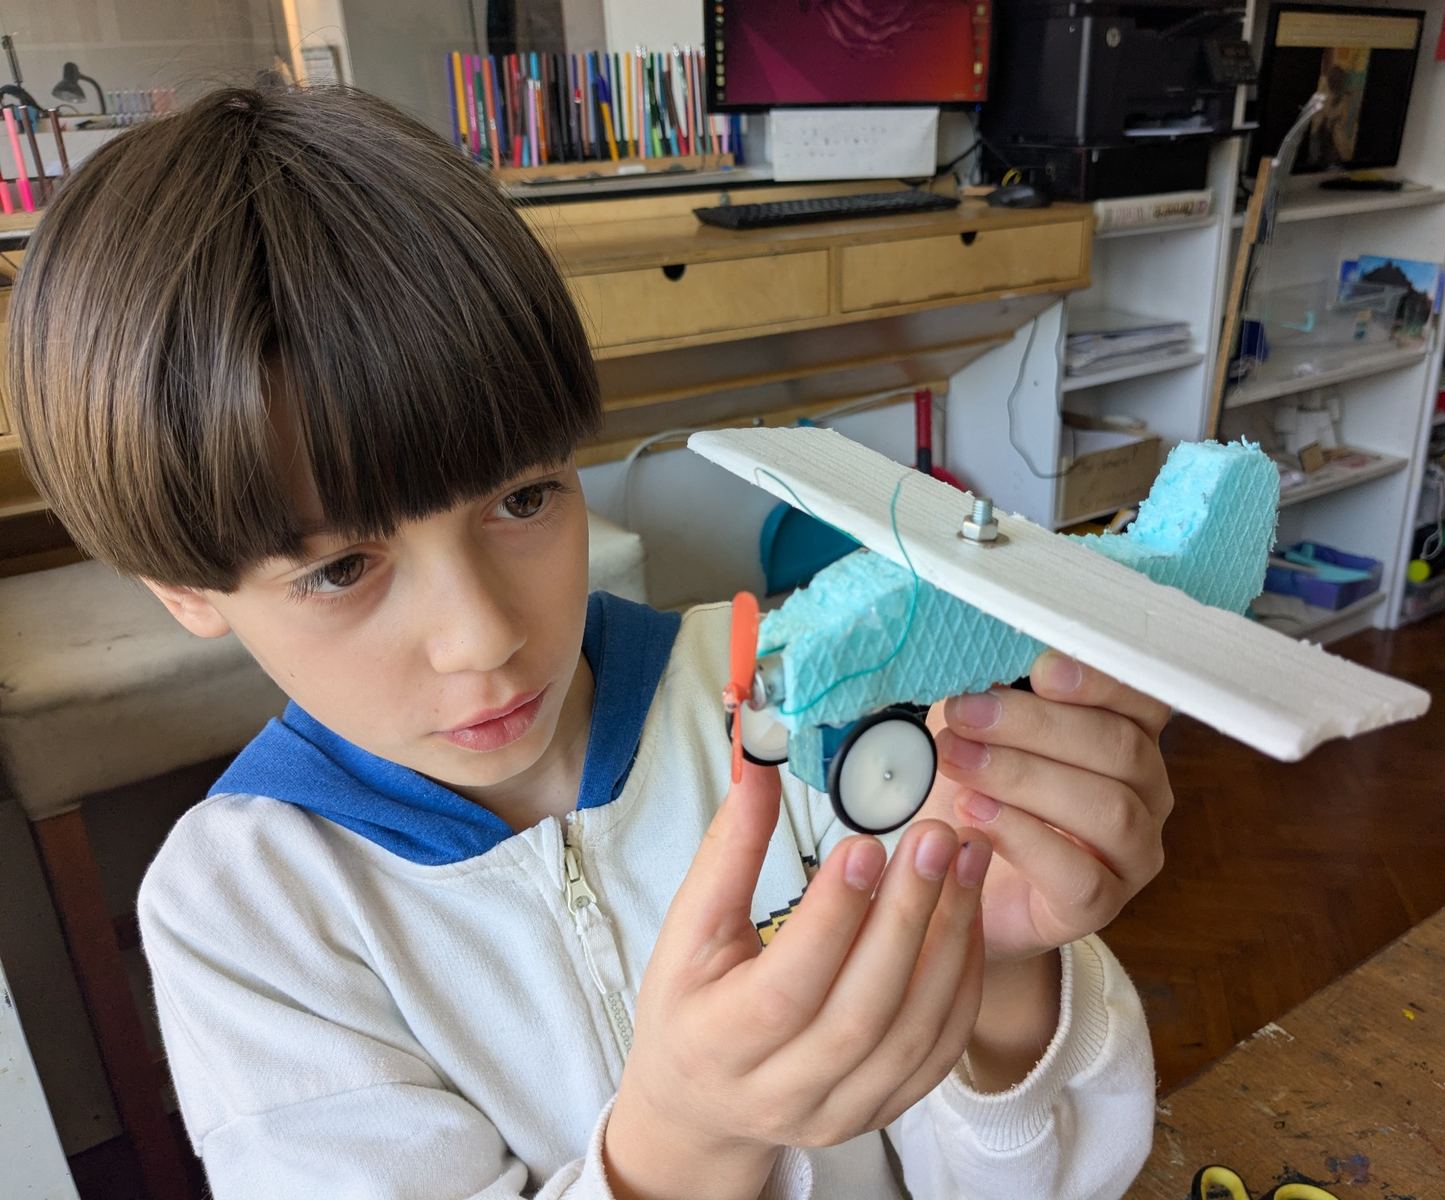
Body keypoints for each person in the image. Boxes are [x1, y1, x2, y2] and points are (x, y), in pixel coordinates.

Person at [10, 84, 1172, 1199]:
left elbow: (1046, 1175)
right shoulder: (246, 916)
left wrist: (1003, 979)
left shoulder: (789, 700)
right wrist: (683, 1142)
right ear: (185, 589)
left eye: (521, 500)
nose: (482, 640)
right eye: (341, 569)